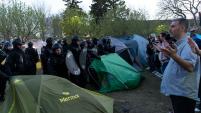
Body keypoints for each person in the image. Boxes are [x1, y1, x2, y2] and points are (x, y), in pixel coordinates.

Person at [160, 18, 200, 113]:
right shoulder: (181, 44)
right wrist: (170, 56)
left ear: (182, 28)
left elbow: (190, 66)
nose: (170, 29)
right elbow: (180, 62)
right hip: (178, 92)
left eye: (173, 26)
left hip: (183, 94)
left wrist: (173, 56)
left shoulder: (188, 44)